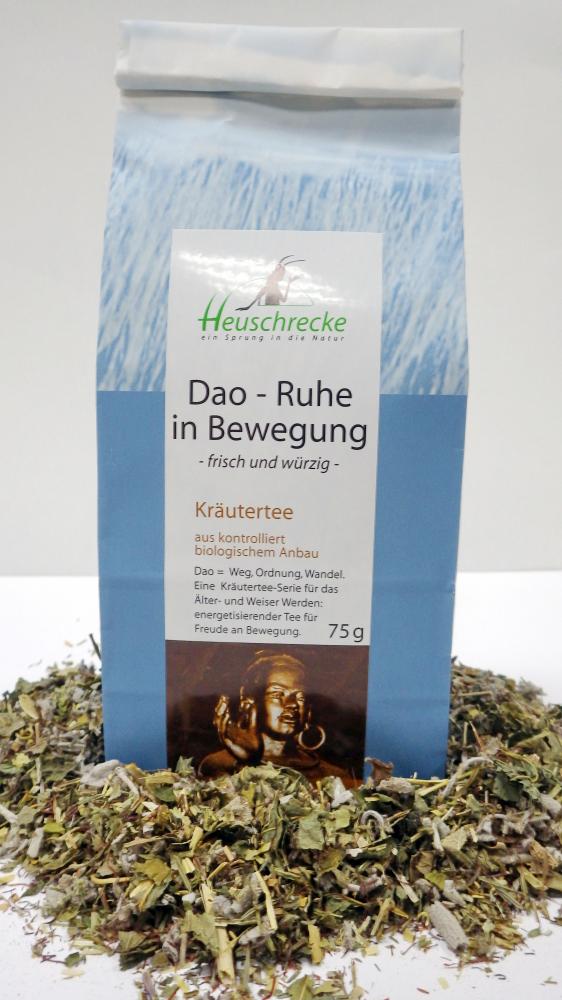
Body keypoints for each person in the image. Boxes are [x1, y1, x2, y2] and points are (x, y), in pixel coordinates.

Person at [199, 650, 359, 786]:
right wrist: (249, 762)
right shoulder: (219, 765)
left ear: (308, 710)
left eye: (300, 697)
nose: (292, 704)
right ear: (250, 701)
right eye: (277, 694)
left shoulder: (333, 776)